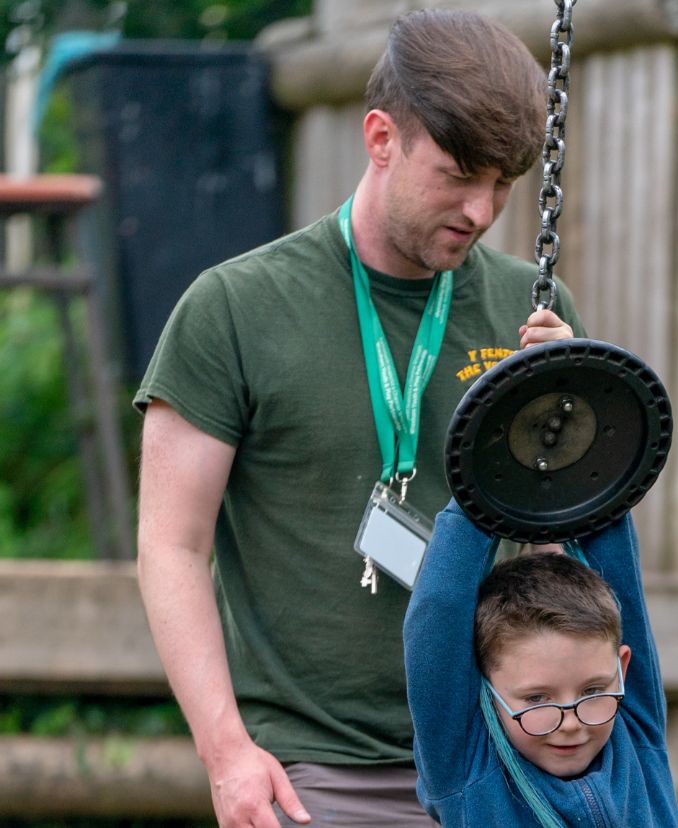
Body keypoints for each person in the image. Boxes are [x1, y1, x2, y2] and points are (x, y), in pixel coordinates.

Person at [134, 10, 583, 828]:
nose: (481, 210)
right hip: (312, 776)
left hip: (491, 757)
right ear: (381, 138)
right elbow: (171, 544)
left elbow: (555, 554)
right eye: (458, 175)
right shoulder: (233, 308)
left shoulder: (532, 310)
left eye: (504, 186)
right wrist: (225, 751)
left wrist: (572, 405)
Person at [403, 500, 678, 826]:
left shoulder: (635, 735)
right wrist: (476, 500)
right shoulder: (468, 771)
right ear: (486, 686)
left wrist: (593, 480)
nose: (570, 724)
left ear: (622, 670)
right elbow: (437, 618)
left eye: (592, 690)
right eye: (537, 698)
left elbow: (611, 534)